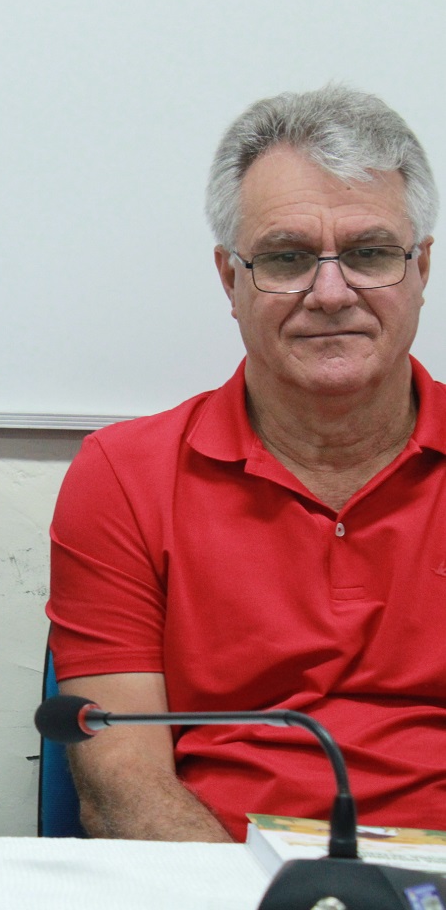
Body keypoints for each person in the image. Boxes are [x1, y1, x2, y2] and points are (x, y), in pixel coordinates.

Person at [48, 86, 446, 840]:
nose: (330, 293)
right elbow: (119, 777)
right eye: (287, 258)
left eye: (369, 253)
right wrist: (253, 894)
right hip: (221, 875)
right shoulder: (126, 476)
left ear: (420, 268)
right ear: (230, 279)